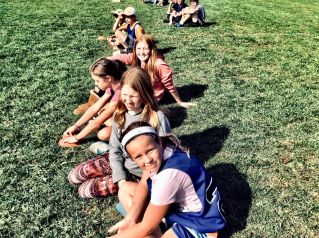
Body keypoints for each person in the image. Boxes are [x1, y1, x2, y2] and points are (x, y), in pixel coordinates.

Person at [108, 121, 226, 238]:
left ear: (158, 141)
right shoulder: (167, 145)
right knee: (125, 189)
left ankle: (159, 230)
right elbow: (144, 183)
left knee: (141, 232)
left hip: (199, 224)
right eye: (138, 156)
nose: (147, 159)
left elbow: (147, 227)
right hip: (184, 208)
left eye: (149, 150)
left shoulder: (169, 176)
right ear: (132, 158)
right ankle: (157, 227)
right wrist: (131, 218)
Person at [67, 67, 171, 198]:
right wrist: (120, 178)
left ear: (144, 94)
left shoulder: (157, 118)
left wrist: (126, 184)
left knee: (84, 191)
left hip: (139, 172)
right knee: (74, 176)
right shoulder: (120, 115)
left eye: (133, 96)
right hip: (119, 161)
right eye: (124, 95)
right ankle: (106, 157)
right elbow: (115, 149)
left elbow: (166, 155)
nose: (128, 100)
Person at [108, 34, 195, 108]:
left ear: (151, 49)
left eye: (145, 49)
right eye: (138, 49)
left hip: (151, 97)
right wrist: (106, 60)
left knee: (118, 96)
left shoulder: (159, 64)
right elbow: (123, 57)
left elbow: (169, 85)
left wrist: (180, 102)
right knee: (113, 88)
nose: (141, 52)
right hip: (137, 91)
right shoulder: (136, 58)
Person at [59, 58, 126, 147]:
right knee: (104, 112)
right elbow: (95, 108)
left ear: (108, 78)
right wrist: (76, 126)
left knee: (103, 134)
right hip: (126, 116)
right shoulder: (113, 85)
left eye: (97, 81)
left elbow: (99, 120)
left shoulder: (121, 91)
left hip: (139, 122)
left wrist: (76, 138)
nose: (95, 84)